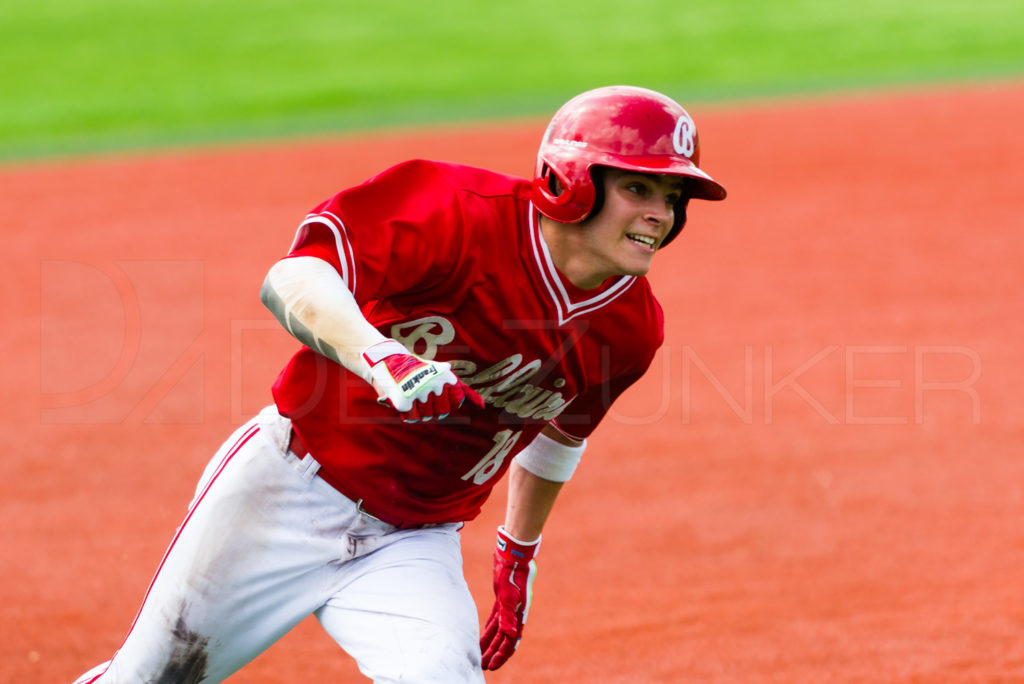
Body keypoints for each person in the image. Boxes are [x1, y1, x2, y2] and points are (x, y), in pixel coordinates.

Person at [74, 85, 726, 683]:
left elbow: (560, 433)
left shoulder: (631, 329)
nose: (659, 216)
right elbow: (294, 279)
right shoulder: (454, 213)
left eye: (672, 199)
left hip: (413, 540)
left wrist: (517, 553)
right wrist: (383, 358)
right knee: (150, 679)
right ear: (573, 179)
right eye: (639, 190)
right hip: (289, 488)